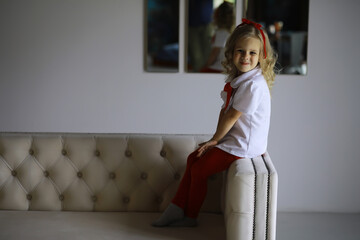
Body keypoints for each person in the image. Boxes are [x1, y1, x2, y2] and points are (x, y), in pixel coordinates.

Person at [152, 18, 277, 227]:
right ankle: (176, 208)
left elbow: (231, 116)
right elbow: (224, 111)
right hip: (235, 137)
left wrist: (215, 140)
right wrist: (215, 139)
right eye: (240, 51)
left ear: (261, 56)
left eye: (252, 53)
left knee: (199, 169)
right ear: (231, 52)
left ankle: (190, 216)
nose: (246, 57)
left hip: (244, 144)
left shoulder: (253, 85)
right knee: (194, 158)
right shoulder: (240, 80)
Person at [200, 1, 235, 73]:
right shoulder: (231, 32)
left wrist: (205, 66)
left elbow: (214, 53)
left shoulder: (222, 33)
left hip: (220, 68)